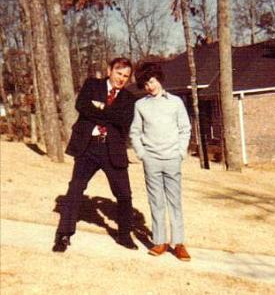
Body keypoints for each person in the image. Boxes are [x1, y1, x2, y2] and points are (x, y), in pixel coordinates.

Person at [53, 57, 137, 252]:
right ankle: (63, 235)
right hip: (88, 147)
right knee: (75, 189)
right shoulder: (92, 85)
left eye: (126, 76)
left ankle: (124, 235)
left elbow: (123, 121)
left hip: (113, 150)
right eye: (118, 73)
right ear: (109, 70)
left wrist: (99, 108)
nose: (121, 79)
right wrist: (109, 113)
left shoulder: (129, 98)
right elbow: (82, 106)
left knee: (124, 195)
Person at [129, 62, 192, 261]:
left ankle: (179, 243)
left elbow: (185, 129)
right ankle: (160, 241)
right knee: (156, 201)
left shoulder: (175, 102)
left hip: (172, 158)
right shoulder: (141, 105)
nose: (150, 86)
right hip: (152, 160)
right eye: (146, 84)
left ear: (159, 80)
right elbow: (135, 132)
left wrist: (180, 152)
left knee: (174, 201)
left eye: (153, 81)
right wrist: (142, 154)